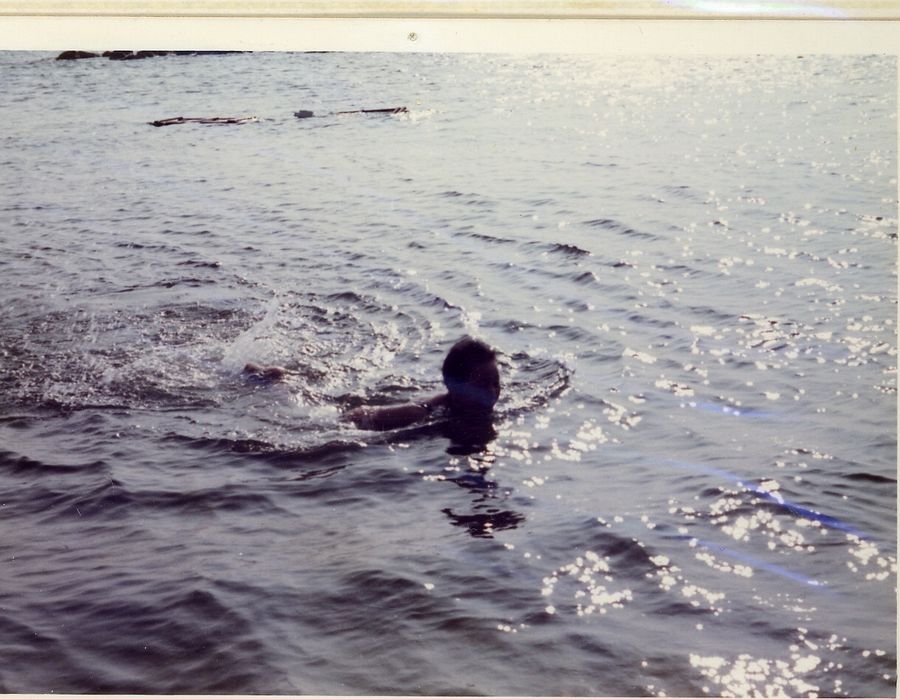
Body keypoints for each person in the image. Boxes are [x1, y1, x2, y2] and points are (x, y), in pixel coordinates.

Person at [345, 336, 500, 431]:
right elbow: (355, 416)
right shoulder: (419, 413)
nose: (492, 392)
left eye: (496, 383)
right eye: (482, 385)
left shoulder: (479, 408)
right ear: (454, 387)